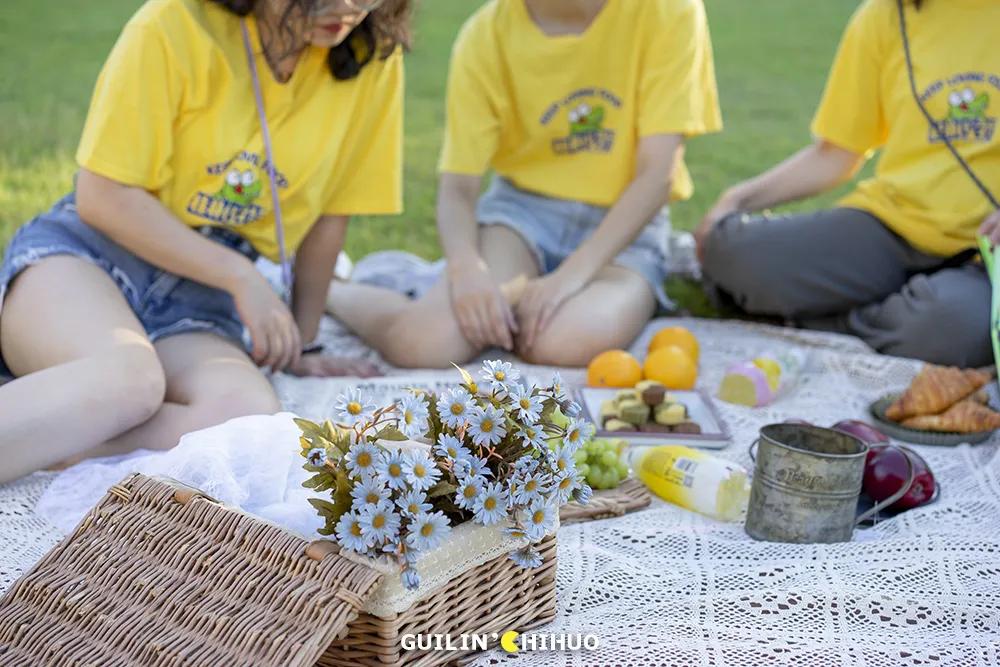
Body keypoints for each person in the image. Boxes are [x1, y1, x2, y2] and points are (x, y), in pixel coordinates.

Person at [0, 0, 408, 483]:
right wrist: (240, 277)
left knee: (245, 414)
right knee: (128, 380)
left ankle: (54, 436)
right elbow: (102, 196)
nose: (350, 6)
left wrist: (303, 338)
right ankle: (68, 415)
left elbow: (329, 218)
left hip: (201, 302)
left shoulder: (372, 58)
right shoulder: (174, 23)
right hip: (92, 255)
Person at [329, 0, 721, 368]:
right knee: (425, 341)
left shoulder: (668, 10)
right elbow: (458, 189)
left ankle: (429, 280)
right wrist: (467, 270)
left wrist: (570, 277)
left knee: (564, 341)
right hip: (522, 216)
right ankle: (330, 289)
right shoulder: (487, 34)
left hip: (626, 232)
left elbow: (656, 175)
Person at [697, 0, 1000, 367]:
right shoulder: (886, 15)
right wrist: (736, 199)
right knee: (732, 251)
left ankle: (833, 320)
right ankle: (895, 314)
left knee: (953, 326)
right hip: (889, 227)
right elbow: (837, 153)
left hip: (987, 255)